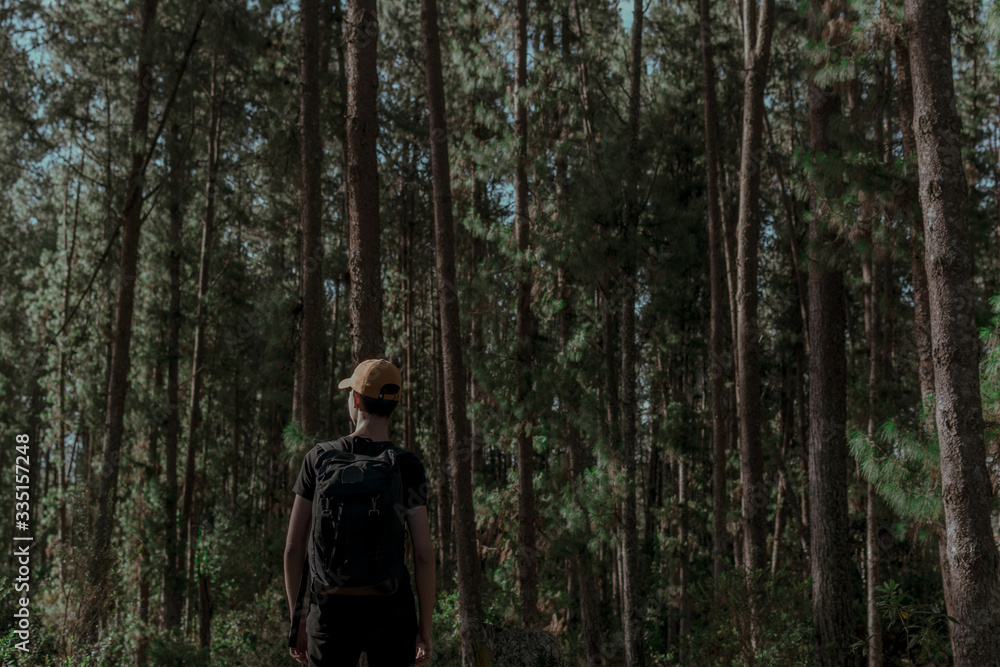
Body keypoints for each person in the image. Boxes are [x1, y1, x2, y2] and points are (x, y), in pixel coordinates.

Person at [284, 358, 434, 666]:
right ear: (394, 405)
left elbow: (293, 547)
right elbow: (423, 555)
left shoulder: (319, 458)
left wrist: (297, 621)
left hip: (329, 613)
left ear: (355, 400)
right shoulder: (406, 465)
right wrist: (425, 629)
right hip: (391, 612)